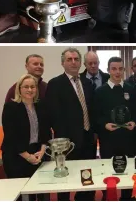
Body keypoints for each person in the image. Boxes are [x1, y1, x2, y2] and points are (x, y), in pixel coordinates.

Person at [45, 48, 94, 201]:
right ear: (62, 63)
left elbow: (91, 109)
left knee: (87, 178)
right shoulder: (55, 83)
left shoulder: (87, 82)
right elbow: (54, 114)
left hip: (88, 139)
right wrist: (64, 139)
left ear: (80, 62)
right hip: (67, 143)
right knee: (65, 179)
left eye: (76, 59)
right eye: (69, 59)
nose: (73, 62)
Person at [94, 56, 136, 200]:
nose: (117, 72)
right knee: (108, 173)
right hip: (108, 140)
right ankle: (108, 197)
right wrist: (104, 124)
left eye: (120, 69)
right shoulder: (100, 91)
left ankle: (127, 197)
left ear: (124, 70)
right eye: (114, 69)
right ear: (108, 70)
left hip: (128, 139)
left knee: (128, 172)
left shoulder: (131, 89)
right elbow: (95, 114)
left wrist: (135, 122)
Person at [1, 74, 51, 200]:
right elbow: (10, 136)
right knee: (19, 193)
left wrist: (42, 151)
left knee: (40, 192)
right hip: (16, 156)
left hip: (37, 153)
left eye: (33, 87)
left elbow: (46, 132)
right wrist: (28, 157)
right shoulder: (11, 108)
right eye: (26, 87)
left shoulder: (41, 106)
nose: (30, 90)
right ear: (19, 89)